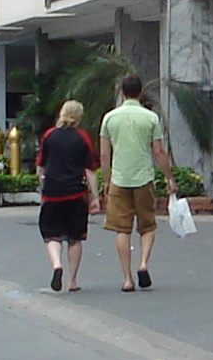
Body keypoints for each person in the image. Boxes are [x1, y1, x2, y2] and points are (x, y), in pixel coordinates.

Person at [97, 73, 175, 293]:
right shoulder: (150, 118)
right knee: (147, 224)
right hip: (144, 178)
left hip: (120, 178)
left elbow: (104, 154)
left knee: (122, 229)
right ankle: (143, 264)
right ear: (141, 92)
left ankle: (127, 278)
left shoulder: (110, 118)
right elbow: (158, 151)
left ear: (122, 92)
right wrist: (169, 177)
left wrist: (107, 180)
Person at [36, 99, 99, 292]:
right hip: (76, 193)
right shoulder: (82, 138)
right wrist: (95, 196)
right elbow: (89, 169)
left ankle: (57, 265)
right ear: (79, 116)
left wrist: (43, 185)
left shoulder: (49, 135)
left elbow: (40, 165)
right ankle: (72, 281)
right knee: (75, 238)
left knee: (51, 235)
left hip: (53, 193)